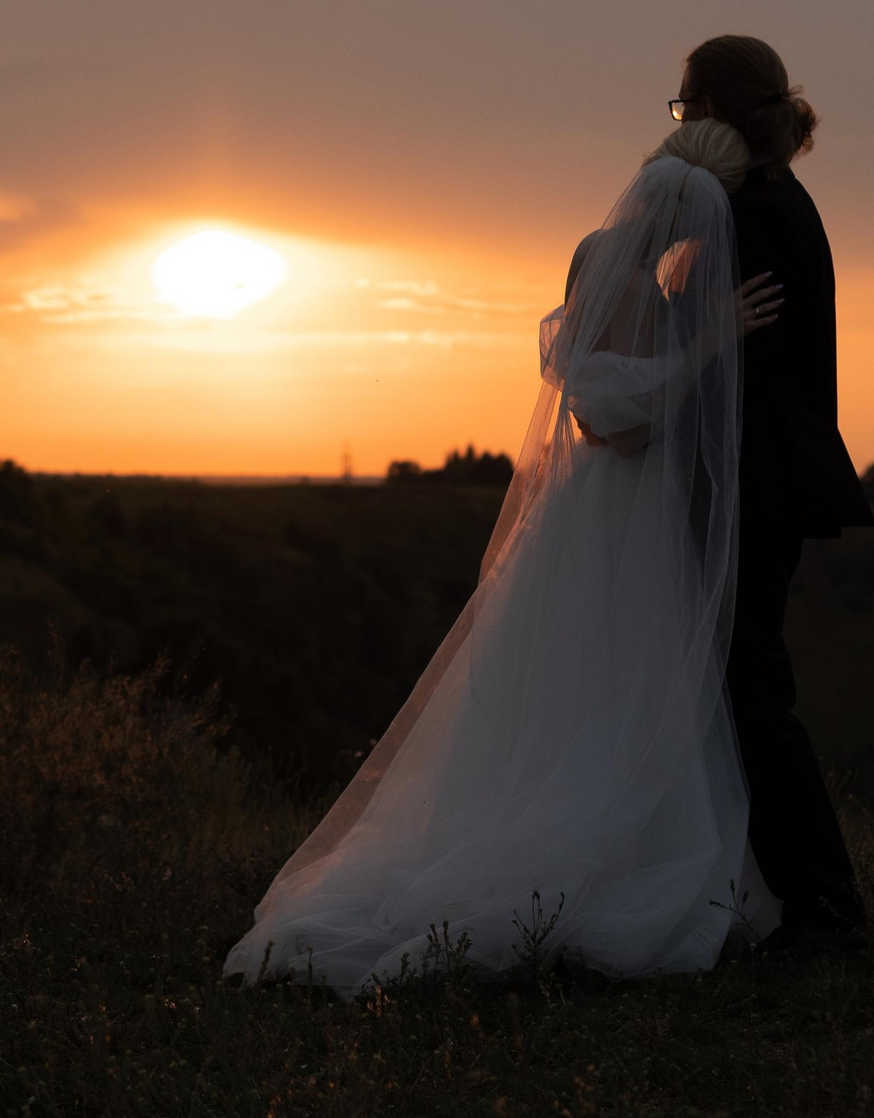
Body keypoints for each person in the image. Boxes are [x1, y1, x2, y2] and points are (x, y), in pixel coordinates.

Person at [224, 117, 784, 993]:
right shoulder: (640, 287)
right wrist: (711, 342)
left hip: (584, 515)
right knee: (621, 685)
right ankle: (596, 874)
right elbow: (614, 424)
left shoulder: (592, 253)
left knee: (573, 686)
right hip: (625, 515)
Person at [671, 34, 873, 955]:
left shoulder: (747, 209)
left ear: (712, 111)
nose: (680, 128)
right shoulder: (778, 199)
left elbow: (699, 343)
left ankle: (823, 907)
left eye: (683, 111)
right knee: (745, 686)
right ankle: (780, 894)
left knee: (751, 690)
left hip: (756, 477)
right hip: (771, 474)